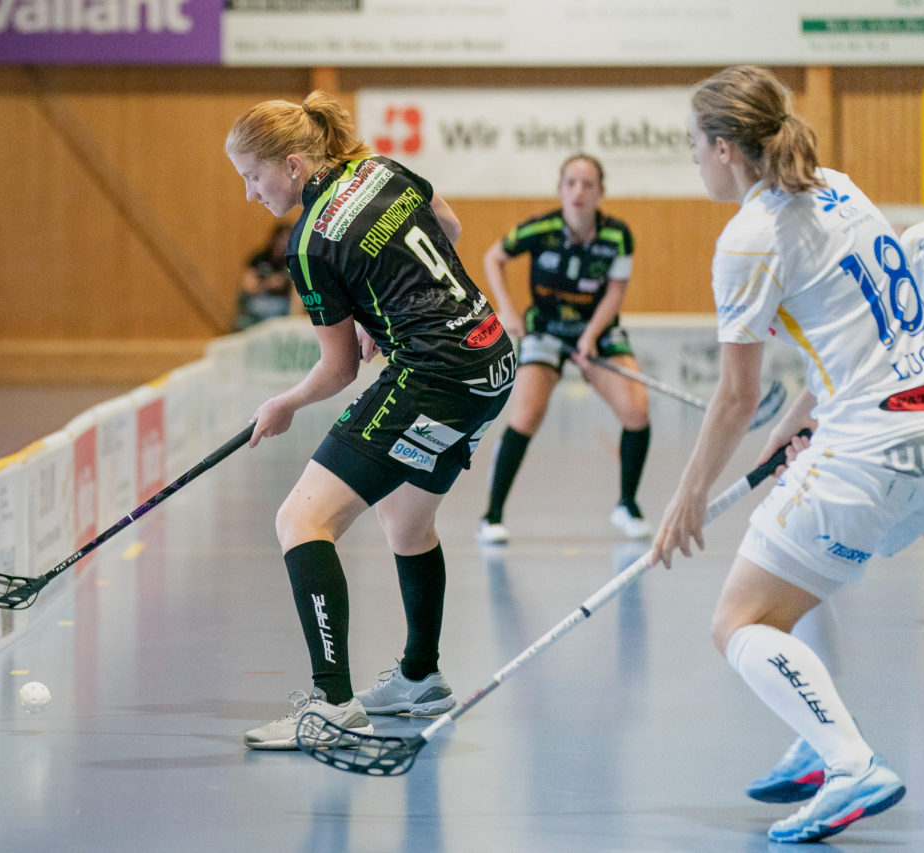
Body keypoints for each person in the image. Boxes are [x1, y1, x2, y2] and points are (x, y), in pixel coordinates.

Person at [652, 65, 924, 843]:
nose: (694, 160)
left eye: (695, 146)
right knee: (791, 577)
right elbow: (860, 329)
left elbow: (737, 397)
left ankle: (850, 763)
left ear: (727, 150)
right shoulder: (838, 186)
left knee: (737, 620)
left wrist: (689, 493)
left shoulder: (748, 237)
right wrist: (801, 421)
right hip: (912, 431)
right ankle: (815, 739)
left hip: (867, 453)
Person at [225, 91, 515, 749]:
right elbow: (450, 226)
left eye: (252, 175)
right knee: (405, 519)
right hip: (489, 359)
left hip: (435, 377)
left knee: (301, 519)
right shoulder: (381, 169)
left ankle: (331, 705)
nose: (249, 193)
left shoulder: (307, 244)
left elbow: (335, 372)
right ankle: (419, 676)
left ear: (294, 165)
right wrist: (390, 307)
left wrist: (283, 404)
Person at [477, 154, 651, 545]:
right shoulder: (541, 228)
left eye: (588, 184)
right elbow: (494, 256)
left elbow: (616, 292)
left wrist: (590, 337)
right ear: (560, 189)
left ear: (600, 192)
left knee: (636, 411)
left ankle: (627, 504)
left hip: (598, 329)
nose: (579, 191)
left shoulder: (618, 235)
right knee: (526, 415)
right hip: (547, 329)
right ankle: (492, 515)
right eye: (571, 182)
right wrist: (506, 310)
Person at [232, 222, 294, 330]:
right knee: (253, 312)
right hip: (259, 303)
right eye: (281, 239)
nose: (283, 243)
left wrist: (293, 316)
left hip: (281, 306)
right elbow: (247, 287)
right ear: (274, 239)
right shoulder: (260, 258)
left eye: (287, 240)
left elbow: (297, 292)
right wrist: (268, 284)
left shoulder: (292, 262)